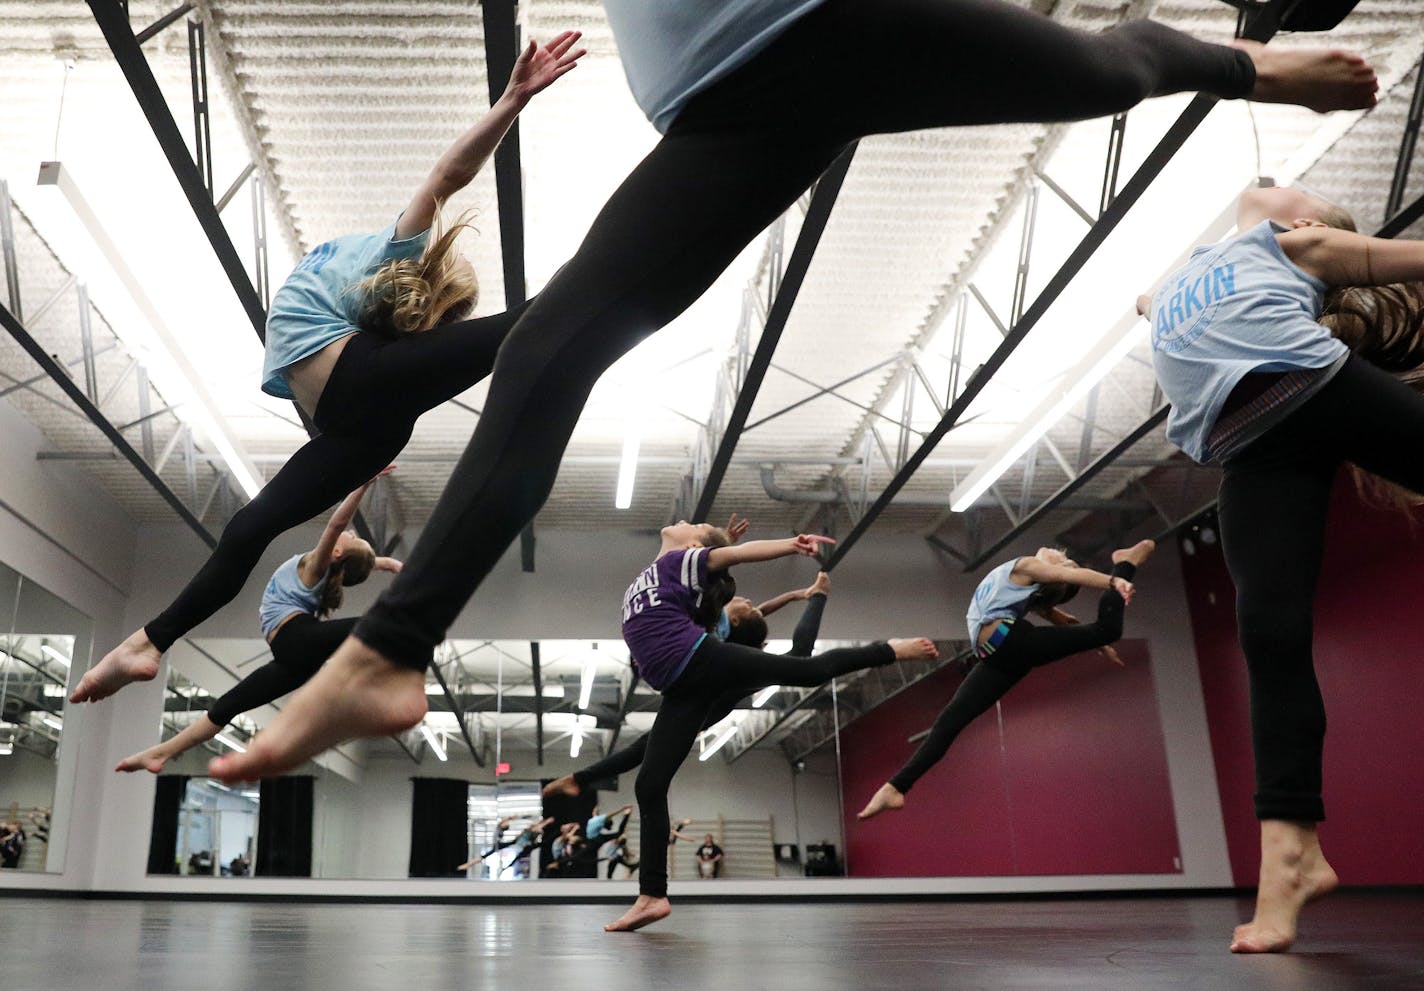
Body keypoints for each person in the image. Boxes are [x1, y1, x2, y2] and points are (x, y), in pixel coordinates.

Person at [208, 0, 1381, 794]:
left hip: (835, 20)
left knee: (1102, 73)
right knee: (549, 340)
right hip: (731, 102)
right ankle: (385, 653)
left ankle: (1242, 62)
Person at [68, 30, 586, 707]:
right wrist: (511, 100)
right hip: (356, 422)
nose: (435, 330)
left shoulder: (370, 328)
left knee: (535, 322)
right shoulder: (394, 253)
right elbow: (447, 175)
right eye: (440, 315)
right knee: (251, 526)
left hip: (356, 412)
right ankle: (148, 641)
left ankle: (610, 275)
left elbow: (373, 373)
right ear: (427, 288)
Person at [1139, 184, 1424, 953]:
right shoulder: (1181, 280)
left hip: (1316, 385)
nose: (1284, 185)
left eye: (1309, 195)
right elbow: (1150, 301)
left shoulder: (1291, 245)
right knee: (1268, 633)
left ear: (1301, 223)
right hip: (1250, 446)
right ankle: (1291, 859)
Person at [601, 520, 936, 930]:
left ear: (691, 544)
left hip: (699, 660)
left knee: (805, 670)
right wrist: (721, 548)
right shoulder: (663, 570)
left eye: (693, 525)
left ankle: (889, 649)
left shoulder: (681, 559)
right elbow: (712, 577)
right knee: (649, 785)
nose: (685, 519)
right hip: (680, 686)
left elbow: (737, 555)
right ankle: (652, 896)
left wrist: (791, 546)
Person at [114, 474, 402, 774]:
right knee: (227, 706)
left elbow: (337, 525)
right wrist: (393, 565)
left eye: (353, 539)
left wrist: (362, 485)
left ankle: (384, 684)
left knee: (378, 625)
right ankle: (160, 753)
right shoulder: (325, 573)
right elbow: (370, 562)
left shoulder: (316, 566)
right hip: (296, 655)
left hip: (295, 641)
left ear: (338, 552)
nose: (351, 533)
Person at [858, 540, 1153, 820]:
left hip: (1009, 642)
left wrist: (1115, 581)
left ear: (1052, 575)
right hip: (998, 655)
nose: (1058, 553)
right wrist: (1098, 644)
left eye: (1064, 560)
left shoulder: (1026, 566)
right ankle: (896, 787)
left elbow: (1065, 579)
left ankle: (1124, 564)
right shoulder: (1023, 587)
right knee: (950, 721)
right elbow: (1065, 622)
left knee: (1106, 629)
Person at [542, 570, 834, 801]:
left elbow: (754, 613)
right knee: (646, 748)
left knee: (647, 748)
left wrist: (812, 595)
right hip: (714, 696)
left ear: (732, 619)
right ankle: (579, 779)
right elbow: (758, 613)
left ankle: (579, 779)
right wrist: (802, 595)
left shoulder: (719, 630)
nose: (748, 601)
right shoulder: (724, 633)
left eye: (746, 605)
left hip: (710, 696)